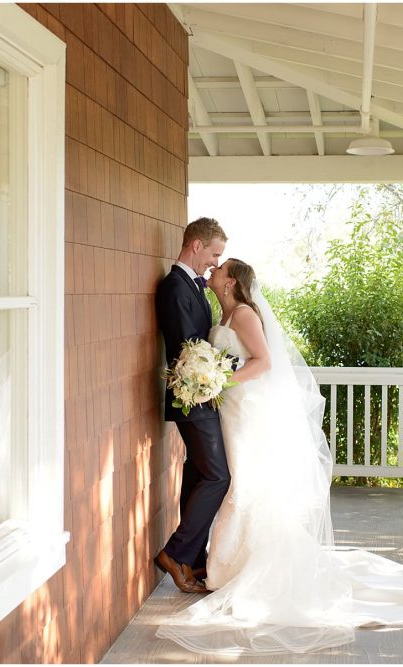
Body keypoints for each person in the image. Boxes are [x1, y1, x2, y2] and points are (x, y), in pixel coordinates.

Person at [155, 258, 403, 655]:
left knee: (245, 486)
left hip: (243, 411)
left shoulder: (245, 314)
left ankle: (240, 569)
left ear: (231, 281)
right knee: (239, 484)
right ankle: (226, 565)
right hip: (230, 411)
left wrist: (217, 379)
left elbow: (263, 362)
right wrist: (213, 377)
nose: (211, 272)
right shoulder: (224, 313)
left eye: (219, 270)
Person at [153, 217, 230, 595]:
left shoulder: (193, 286)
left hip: (201, 393)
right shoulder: (174, 287)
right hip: (191, 396)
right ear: (195, 245)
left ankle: (193, 561)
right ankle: (175, 553)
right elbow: (187, 348)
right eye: (213, 254)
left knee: (200, 473)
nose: (214, 263)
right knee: (219, 476)